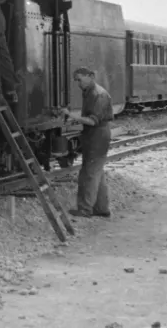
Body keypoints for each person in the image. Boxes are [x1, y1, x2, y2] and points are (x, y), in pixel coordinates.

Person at [60, 67, 113, 218]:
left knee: (89, 173)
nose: (78, 83)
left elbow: (92, 120)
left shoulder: (98, 94)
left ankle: (85, 209)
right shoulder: (90, 92)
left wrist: (71, 116)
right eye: (76, 80)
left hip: (98, 134)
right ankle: (102, 208)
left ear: (90, 76)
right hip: (94, 134)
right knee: (97, 172)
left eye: (79, 79)